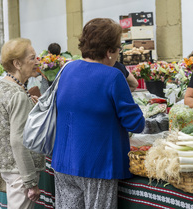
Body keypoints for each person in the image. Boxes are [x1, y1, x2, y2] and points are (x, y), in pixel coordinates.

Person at [51, 18, 145, 209]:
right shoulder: (113, 77)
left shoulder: (67, 69)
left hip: (63, 161)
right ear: (109, 51)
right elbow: (135, 123)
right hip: (97, 164)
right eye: (119, 48)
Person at [0, 38, 45, 209]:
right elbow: (18, 140)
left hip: (10, 168)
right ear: (17, 64)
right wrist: (30, 180)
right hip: (20, 171)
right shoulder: (17, 94)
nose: (37, 62)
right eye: (32, 58)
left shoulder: (1, 87)